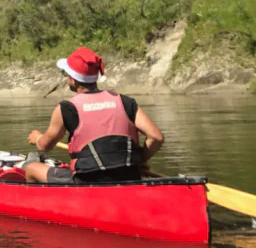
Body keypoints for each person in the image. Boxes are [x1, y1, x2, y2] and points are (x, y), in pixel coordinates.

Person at [25, 47, 164, 184]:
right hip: (129, 176)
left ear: (73, 80)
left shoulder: (66, 109)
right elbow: (156, 138)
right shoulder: (125, 102)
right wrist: (139, 160)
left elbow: (45, 146)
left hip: (87, 181)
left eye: (66, 75)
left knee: (31, 169)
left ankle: (47, 204)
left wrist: (37, 138)